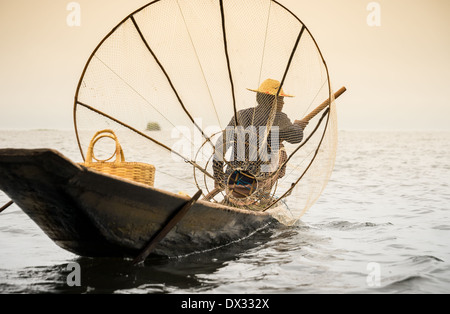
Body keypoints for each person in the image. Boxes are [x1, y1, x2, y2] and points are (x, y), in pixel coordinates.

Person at [212, 78, 308, 198]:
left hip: (232, 178)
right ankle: (264, 195)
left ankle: (236, 197)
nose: (283, 103)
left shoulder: (241, 115)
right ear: (271, 101)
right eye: (281, 99)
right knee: (280, 150)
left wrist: (218, 175)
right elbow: (296, 137)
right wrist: (298, 126)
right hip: (258, 180)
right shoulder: (279, 117)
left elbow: (222, 143)